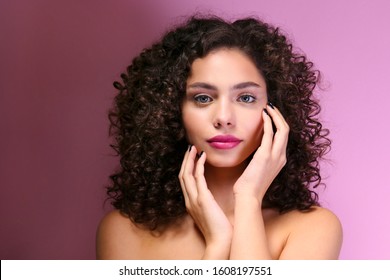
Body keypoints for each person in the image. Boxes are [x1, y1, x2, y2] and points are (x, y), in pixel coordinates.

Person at [96, 15, 343, 260]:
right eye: (203, 98)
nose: (224, 118)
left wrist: (248, 199)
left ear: (276, 110)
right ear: (171, 110)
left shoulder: (313, 228)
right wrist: (217, 245)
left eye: (246, 98)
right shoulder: (123, 231)